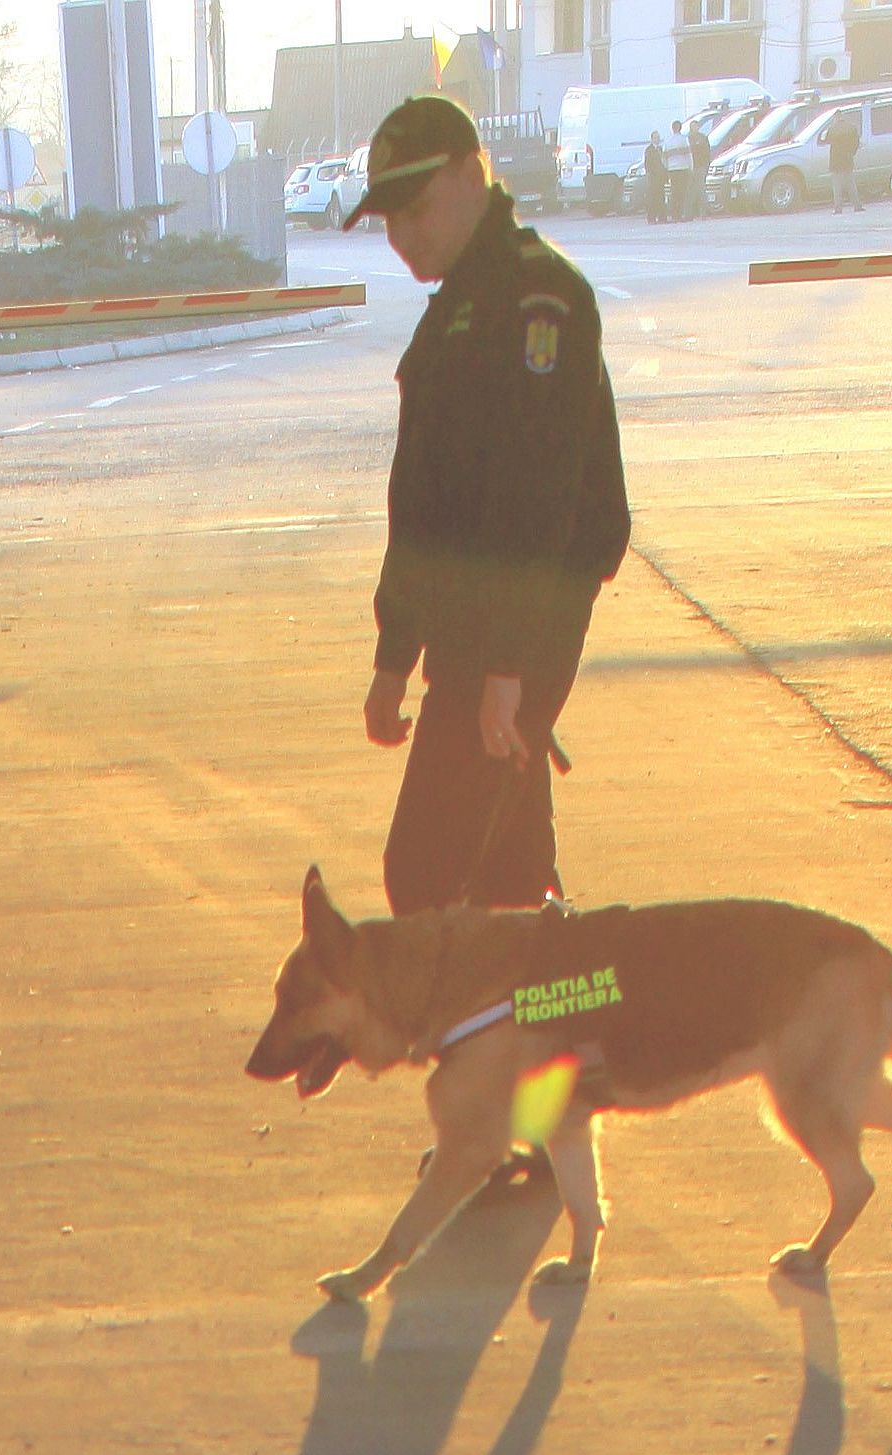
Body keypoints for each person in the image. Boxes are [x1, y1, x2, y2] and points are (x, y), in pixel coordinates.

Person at [348, 94, 631, 917]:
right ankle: (562, 1025)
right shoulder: (462, 310)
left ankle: (561, 1015)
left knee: (429, 875)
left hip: (526, 620)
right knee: (501, 876)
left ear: (474, 177)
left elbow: (536, 495)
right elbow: (424, 507)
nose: (404, 236)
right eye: (390, 221)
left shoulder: (538, 299)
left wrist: (510, 666)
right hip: (477, 629)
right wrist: (394, 653)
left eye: (418, 209)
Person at [828, 104, 864, 211]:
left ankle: (838, 208)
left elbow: (827, 140)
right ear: (842, 116)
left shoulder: (832, 129)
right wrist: (852, 153)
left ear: (835, 117)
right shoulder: (851, 127)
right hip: (848, 159)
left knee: (837, 186)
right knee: (851, 184)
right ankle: (857, 206)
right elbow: (856, 142)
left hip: (835, 161)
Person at [664, 119, 696, 219]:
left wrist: (667, 168)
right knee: (682, 193)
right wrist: (691, 167)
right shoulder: (684, 140)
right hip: (683, 168)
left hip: (672, 170)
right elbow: (689, 155)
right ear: (680, 128)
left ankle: (674, 215)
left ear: (672, 129)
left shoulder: (667, 141)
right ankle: (681, 214)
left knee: (674, 193)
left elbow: (664, 158)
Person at [688, 115, 714, 214]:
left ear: (698, 127)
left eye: (695, 126)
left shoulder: (703, 138)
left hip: (701, 166)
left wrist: (706, 165)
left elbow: (707, 152)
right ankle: (692, 212)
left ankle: (704, 211)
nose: (694, 129)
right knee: (692, 191)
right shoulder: (688, 139)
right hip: (691, 168)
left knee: (701, 188)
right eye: (692, 127)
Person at [643, 127, 668, 222]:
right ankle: (651, 218)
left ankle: (662, 217)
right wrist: (653, 175)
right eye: (655, 137)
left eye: (658, 137)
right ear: (652, 139)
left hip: (661, 178)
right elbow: (648, 164)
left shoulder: (661, 149)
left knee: (661, 198)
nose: (657, 139)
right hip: (653, 178)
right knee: (652, 199)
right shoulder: (649, 150)